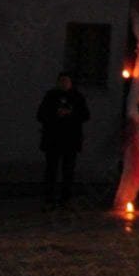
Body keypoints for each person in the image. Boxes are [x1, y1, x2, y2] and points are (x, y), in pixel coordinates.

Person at [37, 72, 89, 208]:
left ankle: (66, 198)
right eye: (61, 81)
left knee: (68, 170)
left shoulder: (77, 97)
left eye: (66, 81)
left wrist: (71, 114)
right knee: (51, 169)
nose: (64, 84)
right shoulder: (51, 96)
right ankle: (49, 197)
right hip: (53, 139)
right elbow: (41, 114)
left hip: (70, 139)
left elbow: (85, 115)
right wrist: (55, 114)